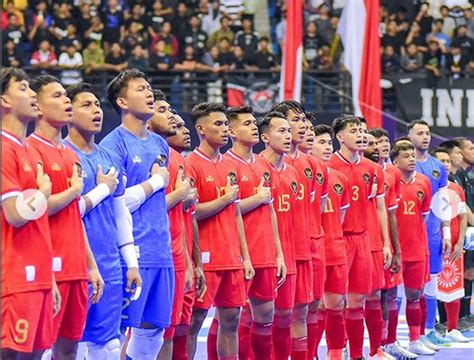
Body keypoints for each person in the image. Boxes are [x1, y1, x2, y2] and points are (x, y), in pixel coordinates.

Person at [27, 75, 103, 359]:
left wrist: (91, 265)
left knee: (70, 349)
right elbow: (35, 211)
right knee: (35, 350)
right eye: (57, 97)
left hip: (76, 268)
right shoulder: (30, 150)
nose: (66, 102)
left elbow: (75, 218)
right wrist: (74, 190)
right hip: (48, 267)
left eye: (66, 96)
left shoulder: (70, 155)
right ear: (37, 107)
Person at [64, 83, 142, 359]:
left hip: (109, 263)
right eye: (87, 105)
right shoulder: (63, 156)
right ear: (68, 112)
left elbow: (120, 212)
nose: (96, 110)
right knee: (63, 346)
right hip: (72, 263)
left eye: (97, 105)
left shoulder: (108, 157)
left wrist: (130, 262)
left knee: (108, 345)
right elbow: (66, 211)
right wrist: (102, 190)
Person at [100, 69, 173, 360]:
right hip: (131, 254)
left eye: (149, 88)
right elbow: (115, 202)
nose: (149, 93)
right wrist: (156, 182)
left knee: (153, 333)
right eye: (141, 89)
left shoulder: (159, 144)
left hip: (161, 251)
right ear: (122, 102)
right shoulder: (112, 145)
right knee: (113, 337)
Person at [185, 102, 254, 360]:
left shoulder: (230, 165)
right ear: (201, 129)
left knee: (231, 320)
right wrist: (223, 199)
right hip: (206, 257)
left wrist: (244, 256)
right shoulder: (191, 164)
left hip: (231, 257)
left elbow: (236, 212)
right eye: (218, 124)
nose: (225, 129)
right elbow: (191, 212)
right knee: (194, 321)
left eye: (226, 124)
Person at [1, 67, 59, 359]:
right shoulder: (3, 148)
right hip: (13, 277)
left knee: (35, 355)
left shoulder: (27, 149)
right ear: (4, 100)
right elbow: (14, 213)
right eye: (23, 88)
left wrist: (49, 277)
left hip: (38, 276)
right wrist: (44, 193)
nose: (32, 94)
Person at [225, 106, 286, 360]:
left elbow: (270, 209)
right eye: (247, 123)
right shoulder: (226, 163)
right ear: (231, 131)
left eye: (254, 123)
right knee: (228, 319)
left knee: (265, 319)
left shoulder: (263, 164)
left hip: (264, 252)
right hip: (236, 253)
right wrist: (258, 198)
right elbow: (227, 207)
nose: (253, 126)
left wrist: (279, 253)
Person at [147, 90, 194, 360]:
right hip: (150, 253)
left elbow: (185, 219)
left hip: (175, 253)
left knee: (169, 330)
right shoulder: (140, 150)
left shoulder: (175, 157)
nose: (173, 116)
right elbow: (138, 207)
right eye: (162, 110)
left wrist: (188, 260)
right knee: (144, 331)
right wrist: (179, 195)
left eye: (170, 110)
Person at [327, 115, 376, 360]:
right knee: (333, 303)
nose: (360, 135)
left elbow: (372, 206)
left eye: (361, 130)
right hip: (337, 240)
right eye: (353, 130)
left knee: (358, 300)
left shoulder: (372, 169)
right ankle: (335, 353)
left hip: (362, 239)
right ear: (340, 137)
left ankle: (357, 354)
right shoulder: (329, 167)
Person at [271, 101, 315, 359]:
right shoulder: (260, 165)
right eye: (293, 122)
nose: (300, 127)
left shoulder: (307, 167)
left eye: (300, 122)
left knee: (299, 311)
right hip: (269, 251)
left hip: (301, 248)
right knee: (254, 314)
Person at [368, 128, 416, 359]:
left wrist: (395, 248)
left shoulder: (393, 174)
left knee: (390, 294)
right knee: (358, 298)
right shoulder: (364, 171)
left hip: (385, 243)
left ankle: (388, 343)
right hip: (364, 242)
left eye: (385, 140)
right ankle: (354, 347)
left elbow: (391, 213)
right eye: (377, 142)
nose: (382, 145)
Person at [257, 111, 299, 360]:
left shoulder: (292, 172)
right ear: (264, 136)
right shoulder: (256, 166)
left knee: (285, 315)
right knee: (254, 317)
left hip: (288, 252)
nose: (288, 135)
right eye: (280, 130)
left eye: (288, 130)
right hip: (262, 253)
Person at [407, 119, 452, 348]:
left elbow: (443, 202)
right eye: (420, 133)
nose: (425, 137)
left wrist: (446, 233)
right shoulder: (404, 164)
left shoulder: (438, 167)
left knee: (432, 283)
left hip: (432, 234)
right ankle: (402, 335)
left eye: (427, 133)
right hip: (408, 234)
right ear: (410, 136)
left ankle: (429, 330)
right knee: (405, 288)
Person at [165, 112, 206, 360]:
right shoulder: (161, 161)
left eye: (183, 125)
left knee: (183, 326)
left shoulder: (182, 162)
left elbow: (189, 218)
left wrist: (195, 262)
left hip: (184, 259)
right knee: (152, 331)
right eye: (177, 126)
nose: (184, 129)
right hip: (164, 258)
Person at [391, 140, 434, 355]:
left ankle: (415, 339)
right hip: (393, 250)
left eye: (413, 156)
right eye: (406, 156)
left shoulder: (424, 182)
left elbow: (423, 216)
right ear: (395, 161)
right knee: (388, 297)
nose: (412, 160)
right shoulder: (389, 180)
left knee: (415, 295)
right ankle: (387, 341)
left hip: (416, 248)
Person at [311, 124, 350, 359]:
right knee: (313, 308)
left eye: (328, 143)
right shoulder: (302, 174)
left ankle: (336, 354)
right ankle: (311, 353)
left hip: (336, 249)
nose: (327, 147)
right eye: (321, 142)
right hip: (313, 250)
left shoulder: (339, 179)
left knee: (336, 306)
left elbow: (340, 219)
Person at [360, 122, 393, 360]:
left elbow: (383, 210)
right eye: (368, 142)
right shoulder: (332, 167)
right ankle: (342, 349)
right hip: (347, 242)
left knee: (375, 295)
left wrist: (386, 243)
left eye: (374, 143)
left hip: (372, 241)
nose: (372, 147)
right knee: (341, 300)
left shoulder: (377, 172)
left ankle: (376, 348)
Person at [297, 116, 330, 360]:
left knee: (314, 304)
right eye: (300, 125)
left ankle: (309, 354)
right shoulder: (270, 164)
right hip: (285, 245)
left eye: (309, 127)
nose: (306, 131)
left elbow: (317, 207)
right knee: (270, 312)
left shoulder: (317, 167)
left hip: (313, 243)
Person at [432, 148, 469, 343]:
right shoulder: (429, 186)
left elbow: (463, 217)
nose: (446, 164)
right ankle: (431, 327)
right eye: (441, 161)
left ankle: (452, 328)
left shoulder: (456, 189)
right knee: (431, 289)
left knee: (453, 286)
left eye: (447, 161)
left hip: (453, 245)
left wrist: (460, 241)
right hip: (432, 244)